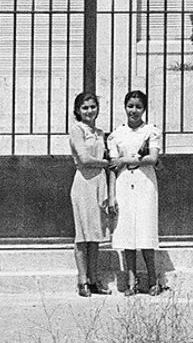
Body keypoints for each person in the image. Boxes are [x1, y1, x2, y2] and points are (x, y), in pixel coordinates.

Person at [108, 89, 165, 295]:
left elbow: (152, 158)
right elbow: (113, 166)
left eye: (138, 107)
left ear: (144, 109)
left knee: (145, 231)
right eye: (130, 106)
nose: (134, 111)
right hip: (124, 184)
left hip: (145, 183)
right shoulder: (117, 134)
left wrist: (126, 160)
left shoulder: (151, 131)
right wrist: (112, 195)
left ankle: (153, 280)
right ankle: (131, 281)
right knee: (127, 233)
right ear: (125, 108)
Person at [68, 91, 114, 297]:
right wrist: (106, 163)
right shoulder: (76, 129)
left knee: (95, 235)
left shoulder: (100, 133)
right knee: (82, 234)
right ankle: (82, 280)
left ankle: (93, 279)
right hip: (84, 181)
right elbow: (85, 159)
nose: (89, 111)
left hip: (99, 182)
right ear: (78, 110)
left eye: (92, 107)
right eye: (85, 107)